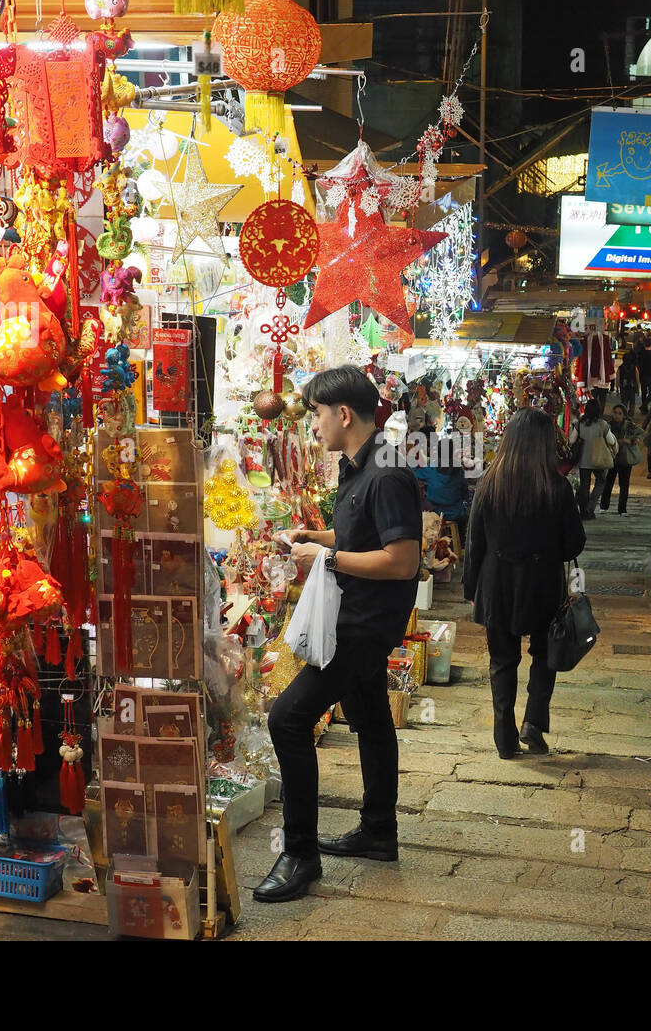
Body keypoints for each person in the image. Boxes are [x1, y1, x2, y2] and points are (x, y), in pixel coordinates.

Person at [257, 365, 423, 903]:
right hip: (353, 615)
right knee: (371, 716)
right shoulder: (358, 467)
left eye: (319, 416)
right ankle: (379, 831)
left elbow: (402, 561)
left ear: (344, 414)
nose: (315, 427)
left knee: (288, 717)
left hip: (363, 627)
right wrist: (317, 537)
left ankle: (300, 854)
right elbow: (362, 535)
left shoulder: (387, 472)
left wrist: (327, 556)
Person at [463, 409, 586, 757]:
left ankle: (504, 735)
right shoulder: (557, 487)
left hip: (496, 583)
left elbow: (475, 543)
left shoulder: (490, 481)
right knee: (545, 654)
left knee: (502, 660)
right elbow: (574, 544)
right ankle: (533, 720)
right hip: (542, 585)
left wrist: (471, 590)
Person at [575, 398, 617, 519]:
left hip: (583, 460)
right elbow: (611, 440)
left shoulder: (579, 423)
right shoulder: (602, 424)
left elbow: (572, 439)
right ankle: (590, 507)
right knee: (601, 481)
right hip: (598, 459)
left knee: (584, 486)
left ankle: (583, 511)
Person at [601, 403, 645, 515]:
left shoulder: (629, 425)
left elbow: (641, 434)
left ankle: (622, 509)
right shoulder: (608, 425)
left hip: (625, 459)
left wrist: (632, 440)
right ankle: (604, 506)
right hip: (612, 458)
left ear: (624, 415)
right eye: (615, 413)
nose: (617, 415)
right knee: (608, 482)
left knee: (624, 484)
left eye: (619, 413)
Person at [617, 342, 640, 418]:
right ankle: (630, 415)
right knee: (632, 402)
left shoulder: (620, 368)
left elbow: (617, 378)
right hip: (632, 387)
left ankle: (624, 415)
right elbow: (637, 378)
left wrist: (617, 388)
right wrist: (638, 388)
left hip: (623, 387)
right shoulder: (634, 368)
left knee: (624, 402)